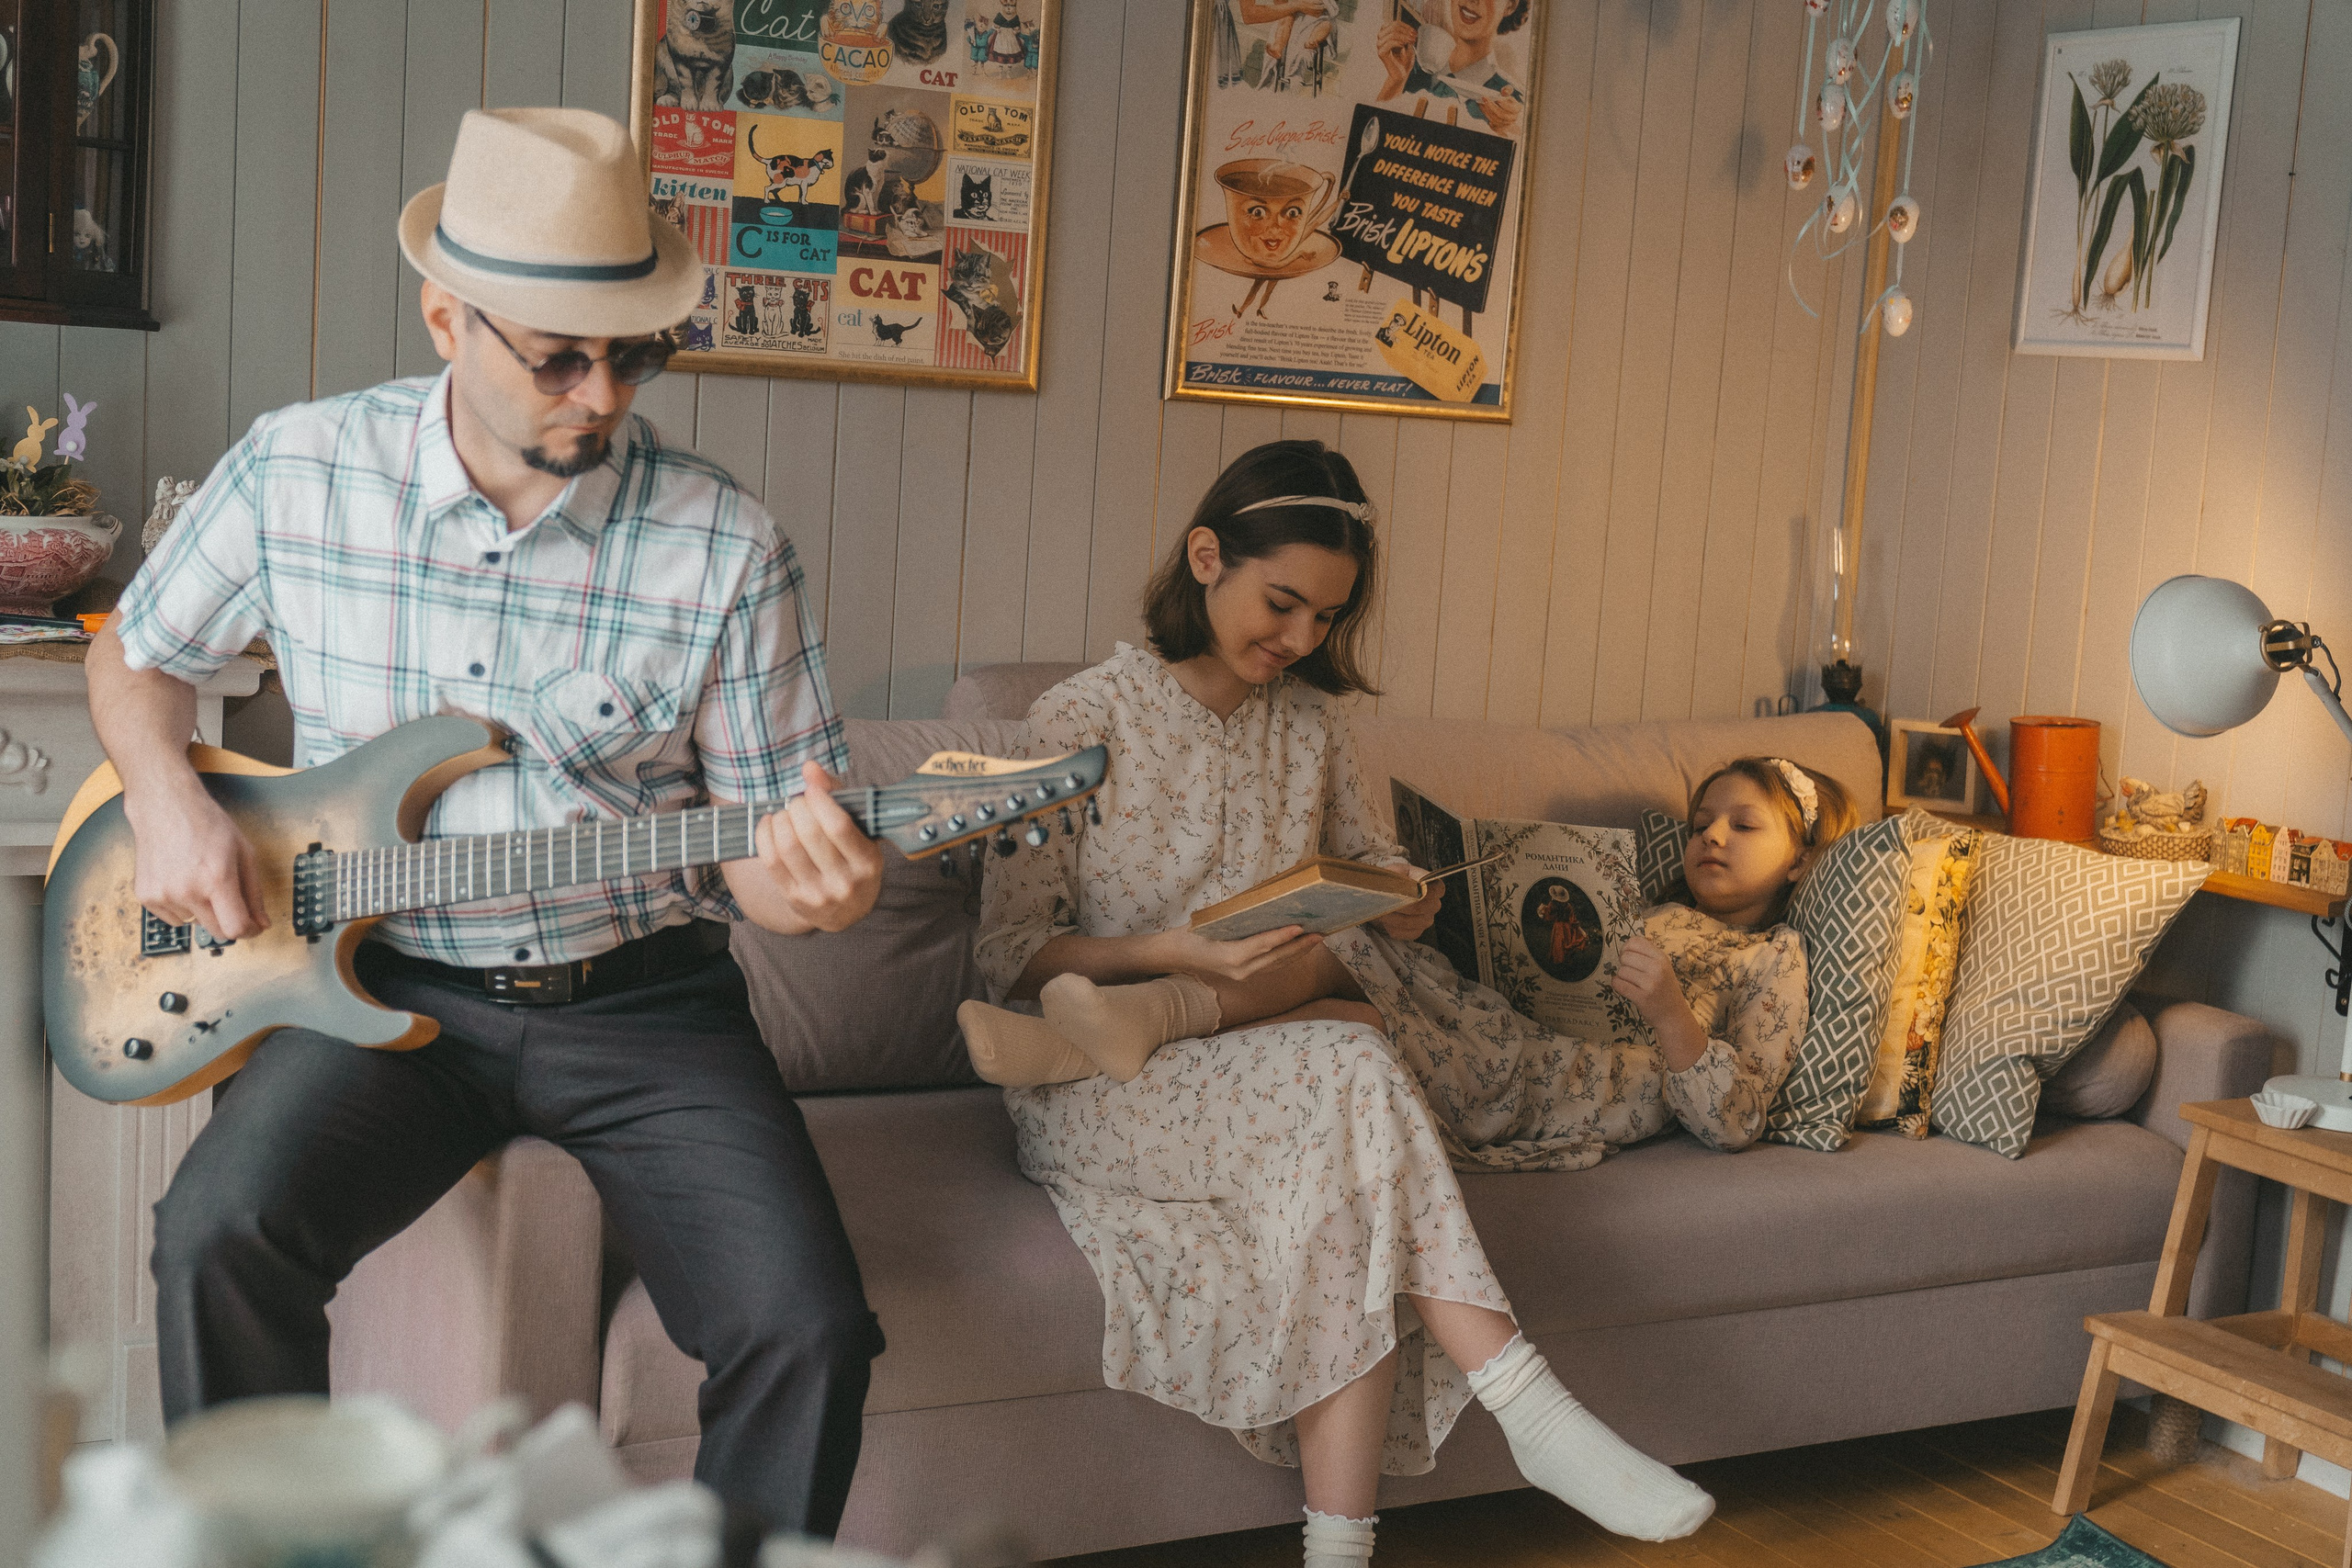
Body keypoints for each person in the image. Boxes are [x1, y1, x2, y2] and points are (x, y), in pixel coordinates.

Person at [85, 107, 887, 1538]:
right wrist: (165, 800)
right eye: (560, 355)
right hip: (377, 985)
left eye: (635, 354)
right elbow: (136, 653)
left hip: (644, 1004)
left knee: (809, 1326)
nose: (603, 394)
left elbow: (776, 855)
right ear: (447, 316)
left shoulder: (727, 544)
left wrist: (812, 891)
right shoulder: (301, 469)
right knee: (217, 1235)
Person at [956, 441, 1718, 1568]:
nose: (1302, 641)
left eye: (1326, 618)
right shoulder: (1083, 717)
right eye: (1283, 605)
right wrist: (1164, 951)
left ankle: (1350, 1549)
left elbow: (1369, 876)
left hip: (1268, 1056)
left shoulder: (1312, 728)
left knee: (1346, 1116)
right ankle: (1527, 1410)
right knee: (1351, 1071)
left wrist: (1397, 905)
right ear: (1205, 558)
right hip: (1114, 1091)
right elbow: (1010, 954)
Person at [1372, 0, 1528, 137]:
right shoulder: (1408, 66)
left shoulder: (1513, 109)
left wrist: (1510, 133)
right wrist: (1395, 81)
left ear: (1510, 5)